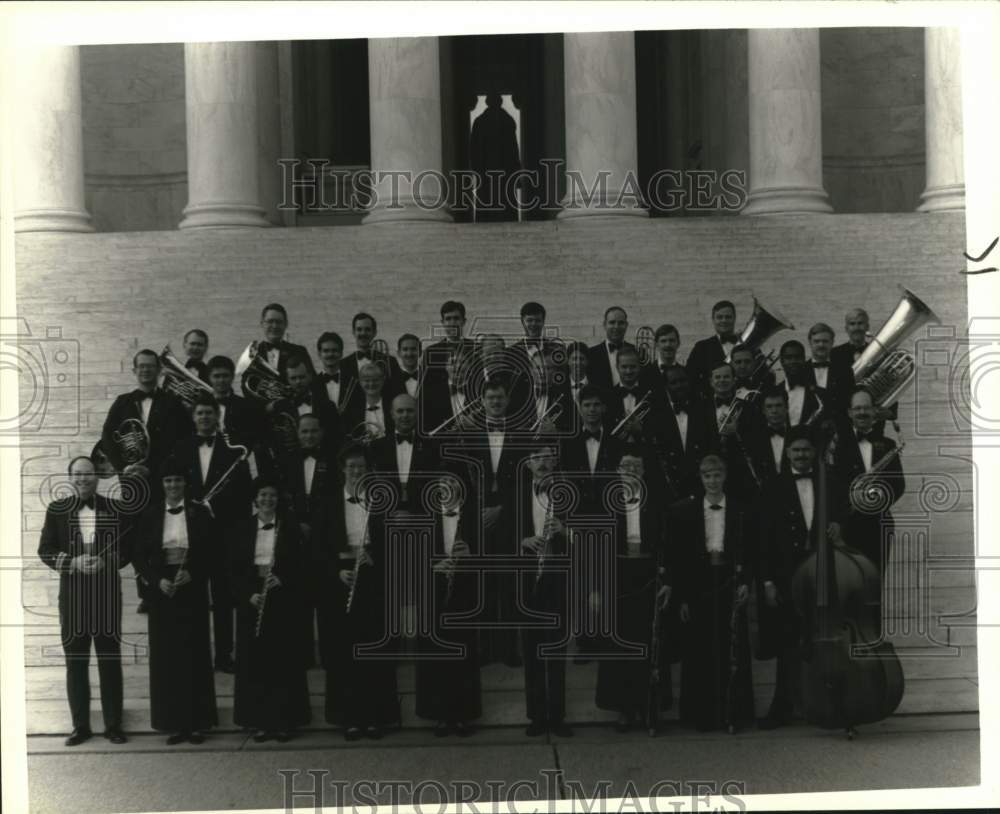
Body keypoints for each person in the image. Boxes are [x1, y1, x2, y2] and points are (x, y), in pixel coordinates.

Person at [757, 428, 847, 729]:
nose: (801, 455)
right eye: (796, 450)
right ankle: (783, 706)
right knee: (788, 644)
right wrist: (767, 581)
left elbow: (844, 514)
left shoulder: (830, 481)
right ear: (787, 453)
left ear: (814, 452)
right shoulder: (772, 486)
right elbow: (764, 537)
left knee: (824, 641)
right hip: (787, 576)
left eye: (806, 450)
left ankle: (826, 705)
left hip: (823, 572)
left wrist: (839, 525)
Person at [38, 456, 129, 746]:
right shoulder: (56, 510)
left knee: (109, 661)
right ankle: (80, 727)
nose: (83, 479)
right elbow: (45, 549)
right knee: (75, 662)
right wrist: (73, 562)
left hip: (106, 596)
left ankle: (113, 725)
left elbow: (128, 548)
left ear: (97, 476)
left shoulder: (115, 508)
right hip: (73, 597)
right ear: (70, 477)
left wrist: (106, 561)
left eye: (88, 473)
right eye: (77, 474)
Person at [131, 458, 217, 744]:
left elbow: (213, 551)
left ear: (185, 483)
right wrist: (157, 581)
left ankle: (197, 723)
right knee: (167, 657)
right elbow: (138, 555)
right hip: (163, 590)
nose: (173, 485)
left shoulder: (199, 513)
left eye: (178, 480)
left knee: (195, 653)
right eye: (168, 481)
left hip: (191, 586)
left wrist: (194, 573)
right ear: (162, 484)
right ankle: (173, 723)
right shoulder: (150, 514)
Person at [317, 444, 399, 740]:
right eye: (351, 466)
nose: (356, 471)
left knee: (373, 650)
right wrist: (336, 572)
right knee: (345, 652)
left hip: (372, 580)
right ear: (343, 469)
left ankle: (376, 717)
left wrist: (374, 557)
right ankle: (349, 718)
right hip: (341, 582)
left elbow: (392, 541)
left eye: (361, 467)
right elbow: (318, 547)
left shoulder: (380, 501)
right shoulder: (327, 502)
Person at [671, 454, 754, 732]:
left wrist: (746, 582)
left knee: (732, 648)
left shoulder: (741, 510)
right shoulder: (685, 511)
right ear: (701, 478)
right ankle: (701, 717)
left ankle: (733, 714)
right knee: (699, 651)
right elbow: (680, 558)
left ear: (725, 476)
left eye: (717, 475)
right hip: (699, 584)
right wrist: (683, 597)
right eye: (707, 476)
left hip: (729, 580)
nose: (713, 481)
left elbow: (750, 550)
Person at [170, 393, 252, 673]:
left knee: (223, 598)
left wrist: (238, 534)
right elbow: (172, 488)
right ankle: (195, 655)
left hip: (223, 534)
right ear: (193, 418)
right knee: (192, 597)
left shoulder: (233, 451)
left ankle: (224, 656)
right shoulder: (181, 448)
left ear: (218, 416)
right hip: (191, 533)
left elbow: (244, 496)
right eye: (200, 413)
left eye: (209, 412)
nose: (205, 417)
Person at [229, 476, 311, 742]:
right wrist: (247, 595)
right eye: (263, 495)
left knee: (283, 661)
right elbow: (232, 569)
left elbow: (303, 563)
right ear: (255, 498)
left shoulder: (290, 527)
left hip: (282, 597)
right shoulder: (242, 527)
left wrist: (284, 579)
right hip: (253, 597)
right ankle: (259, 721)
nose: (267, 499)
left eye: (272, 495)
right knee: (255, 662)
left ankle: (285, 720)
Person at [594, 449, 671, 732]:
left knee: (650, 642)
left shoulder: (657, 502)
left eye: (636, 466)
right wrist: (596, 588)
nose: (630, 471)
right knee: (619, 645)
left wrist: (667, 580)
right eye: (625, 466)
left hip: (648, 575)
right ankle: (624, 709)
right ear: (617, 471)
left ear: (644, 471)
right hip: (617, 574)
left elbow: (667, 543)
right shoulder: (605, 503)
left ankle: (648, 706)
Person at [458, 378, 522, 667]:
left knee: (508, 584)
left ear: (507, 401)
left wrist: (502, 508)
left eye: (500, 397)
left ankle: (508, 650)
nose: (495, 402)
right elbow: (463, 481)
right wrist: (479, 511)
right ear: (482, 401)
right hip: (477, 517)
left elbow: (525, 480)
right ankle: (484, 649)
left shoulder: (520, 433)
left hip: (508, 517)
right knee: (482, 585)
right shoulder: (468, 435)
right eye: (491, 397)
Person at [415, 469, 482, 736]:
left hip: (464, 592)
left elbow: (491, 559)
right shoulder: (425, 518)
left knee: (463, 654)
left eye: (454, 481)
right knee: (436, 655)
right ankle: (440, 715)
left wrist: (471, 556)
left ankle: (463, 715)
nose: (449, 486)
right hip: (433, 591)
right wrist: (433, 567)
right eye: (443, 482)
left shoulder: (473, 520)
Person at [511, 443, 572, 737]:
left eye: (547, 457)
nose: (542, 462)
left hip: (558, 580)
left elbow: (590, 533)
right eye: (536, 458)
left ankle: (557, 716)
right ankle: (536, 716)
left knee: (557, 651)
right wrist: (522, 541)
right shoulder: (516, 495)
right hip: (529, 582)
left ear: (555, 461)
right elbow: (502, 537)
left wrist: (566, 531)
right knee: (532, 651)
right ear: (527, 464)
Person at [833, 387, 906, 575]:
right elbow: (832, 483)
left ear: (875, 411)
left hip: (878, 524)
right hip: (847, 526)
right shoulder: (838, 446)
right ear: (849, 413)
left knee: (876, 581)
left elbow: (898, 485)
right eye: (857, 408)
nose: (862, 412)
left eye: (866, 408)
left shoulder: (888, 445)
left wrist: (874, 499)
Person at [101, 349, 193, 482]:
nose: (146, 370)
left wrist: (152, 468)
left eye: (150, 366)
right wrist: (123, 467)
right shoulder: (122, 402)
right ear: (134, 371)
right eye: (142, 366)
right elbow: (107, 438)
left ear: (159, 370)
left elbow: (183, 441)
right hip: (130, 477)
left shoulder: (173, 403)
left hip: (164, 478)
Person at [369, 394, 439, 512]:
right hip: (387, 514)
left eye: (410, 411)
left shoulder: (431, 446)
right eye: (400, 411)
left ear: (417, 413)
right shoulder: (376, 447)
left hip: (422, 514)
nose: (405, 415)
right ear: (392, 414)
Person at [470, 93, 522, 222]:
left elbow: (474, 149)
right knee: (505, 198)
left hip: (486, 169)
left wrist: (475, 169)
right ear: (500, 102)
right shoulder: (508, 120)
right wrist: (517, 170)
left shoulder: (480, 121)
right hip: (505, 169)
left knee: (487, 197)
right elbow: (513, 149)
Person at [242, 302, 315, 381]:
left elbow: (313, 381)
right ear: (262, 324)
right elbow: (245, 383)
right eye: (270, 321)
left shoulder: (299, 351)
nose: (274, 326)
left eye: (279, 322)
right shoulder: (252, 353)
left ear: (286, 324)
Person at [685, 300, 742, 397]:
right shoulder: (701, 347)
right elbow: (690, 378)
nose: (724, 320)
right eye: (719, 317)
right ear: (713, 320)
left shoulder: (746, 344)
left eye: (728, 317)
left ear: (734, 318)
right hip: (711, 402)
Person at [340, 312, 401, 393]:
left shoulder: (390, 362)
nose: (363, 333)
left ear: (374, 332)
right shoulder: (343, 364)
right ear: (353, 332)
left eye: (367, 329)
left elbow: (398, 392)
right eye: (359, 329)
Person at [806, 322, 855, 419]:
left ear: (832, 343)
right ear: (810, 342)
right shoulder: (801, 370)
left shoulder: (845, 370)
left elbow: (850, 401)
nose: (821, 345)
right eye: (816, 341)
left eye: (825, 341)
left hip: (839, 425)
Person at [587, 306, 636, 390]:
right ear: (604, 325)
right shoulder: (591, 354)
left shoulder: (637, 351)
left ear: (626, 325)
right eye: (612, 322)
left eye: (621, 323)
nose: (616, 327)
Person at [778, 340, 822, 427]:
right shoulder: (775, 391)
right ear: (782, 362)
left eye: (798, 357)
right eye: (788, 358)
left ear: (804, 359)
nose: (793, 361)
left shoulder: (818, 390)